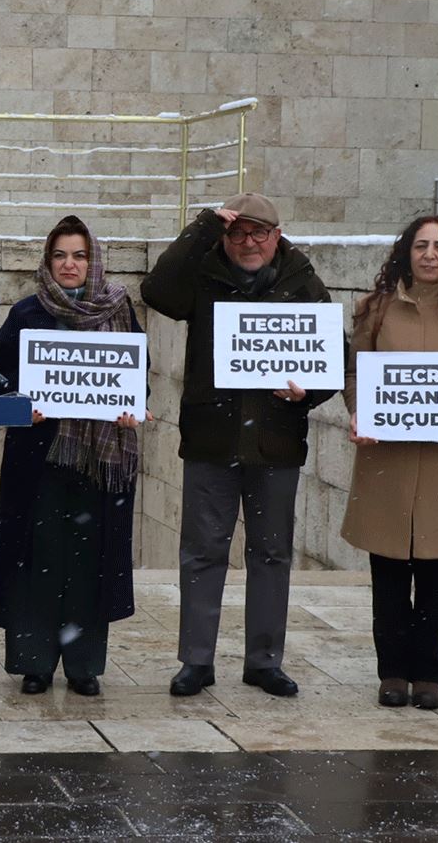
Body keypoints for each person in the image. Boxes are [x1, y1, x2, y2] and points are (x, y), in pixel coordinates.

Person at [141, 192, 336, 698]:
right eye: (237, 233)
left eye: (259, 233)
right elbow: (157, 291)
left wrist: (306, 392)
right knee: (203, 552)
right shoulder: (202, 275)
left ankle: (264, 661)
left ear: (277, 235)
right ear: (225, 238)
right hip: (212, 437)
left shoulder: (303, 283)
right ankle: (196, 661)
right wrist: (203, 226)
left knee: (272, 553)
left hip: (276, 440)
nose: (248, 243)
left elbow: (334, 355)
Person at [343, 215, 438, 711]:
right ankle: (392, 672)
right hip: (385, 459)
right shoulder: (377, 308)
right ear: (406, 252)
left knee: (437, 577)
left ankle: (428, 673)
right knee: (387, 573)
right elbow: (355, 371)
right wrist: (358, 412)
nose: (430, 254)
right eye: (421, 245)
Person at [0, 215, 145, 696]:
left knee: (88, 563)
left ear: (93, 261)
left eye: (79, 255)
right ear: (47, 261)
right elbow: (2, 380)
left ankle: (83, 665)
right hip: (38, 460)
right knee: (38, 562)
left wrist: (130, 410)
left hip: (100, 465)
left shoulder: (119, 311)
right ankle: (34, 662)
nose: (70, 264)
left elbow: (139, 375)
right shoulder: (26, 314)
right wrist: (20, 407)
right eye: (60, 255)